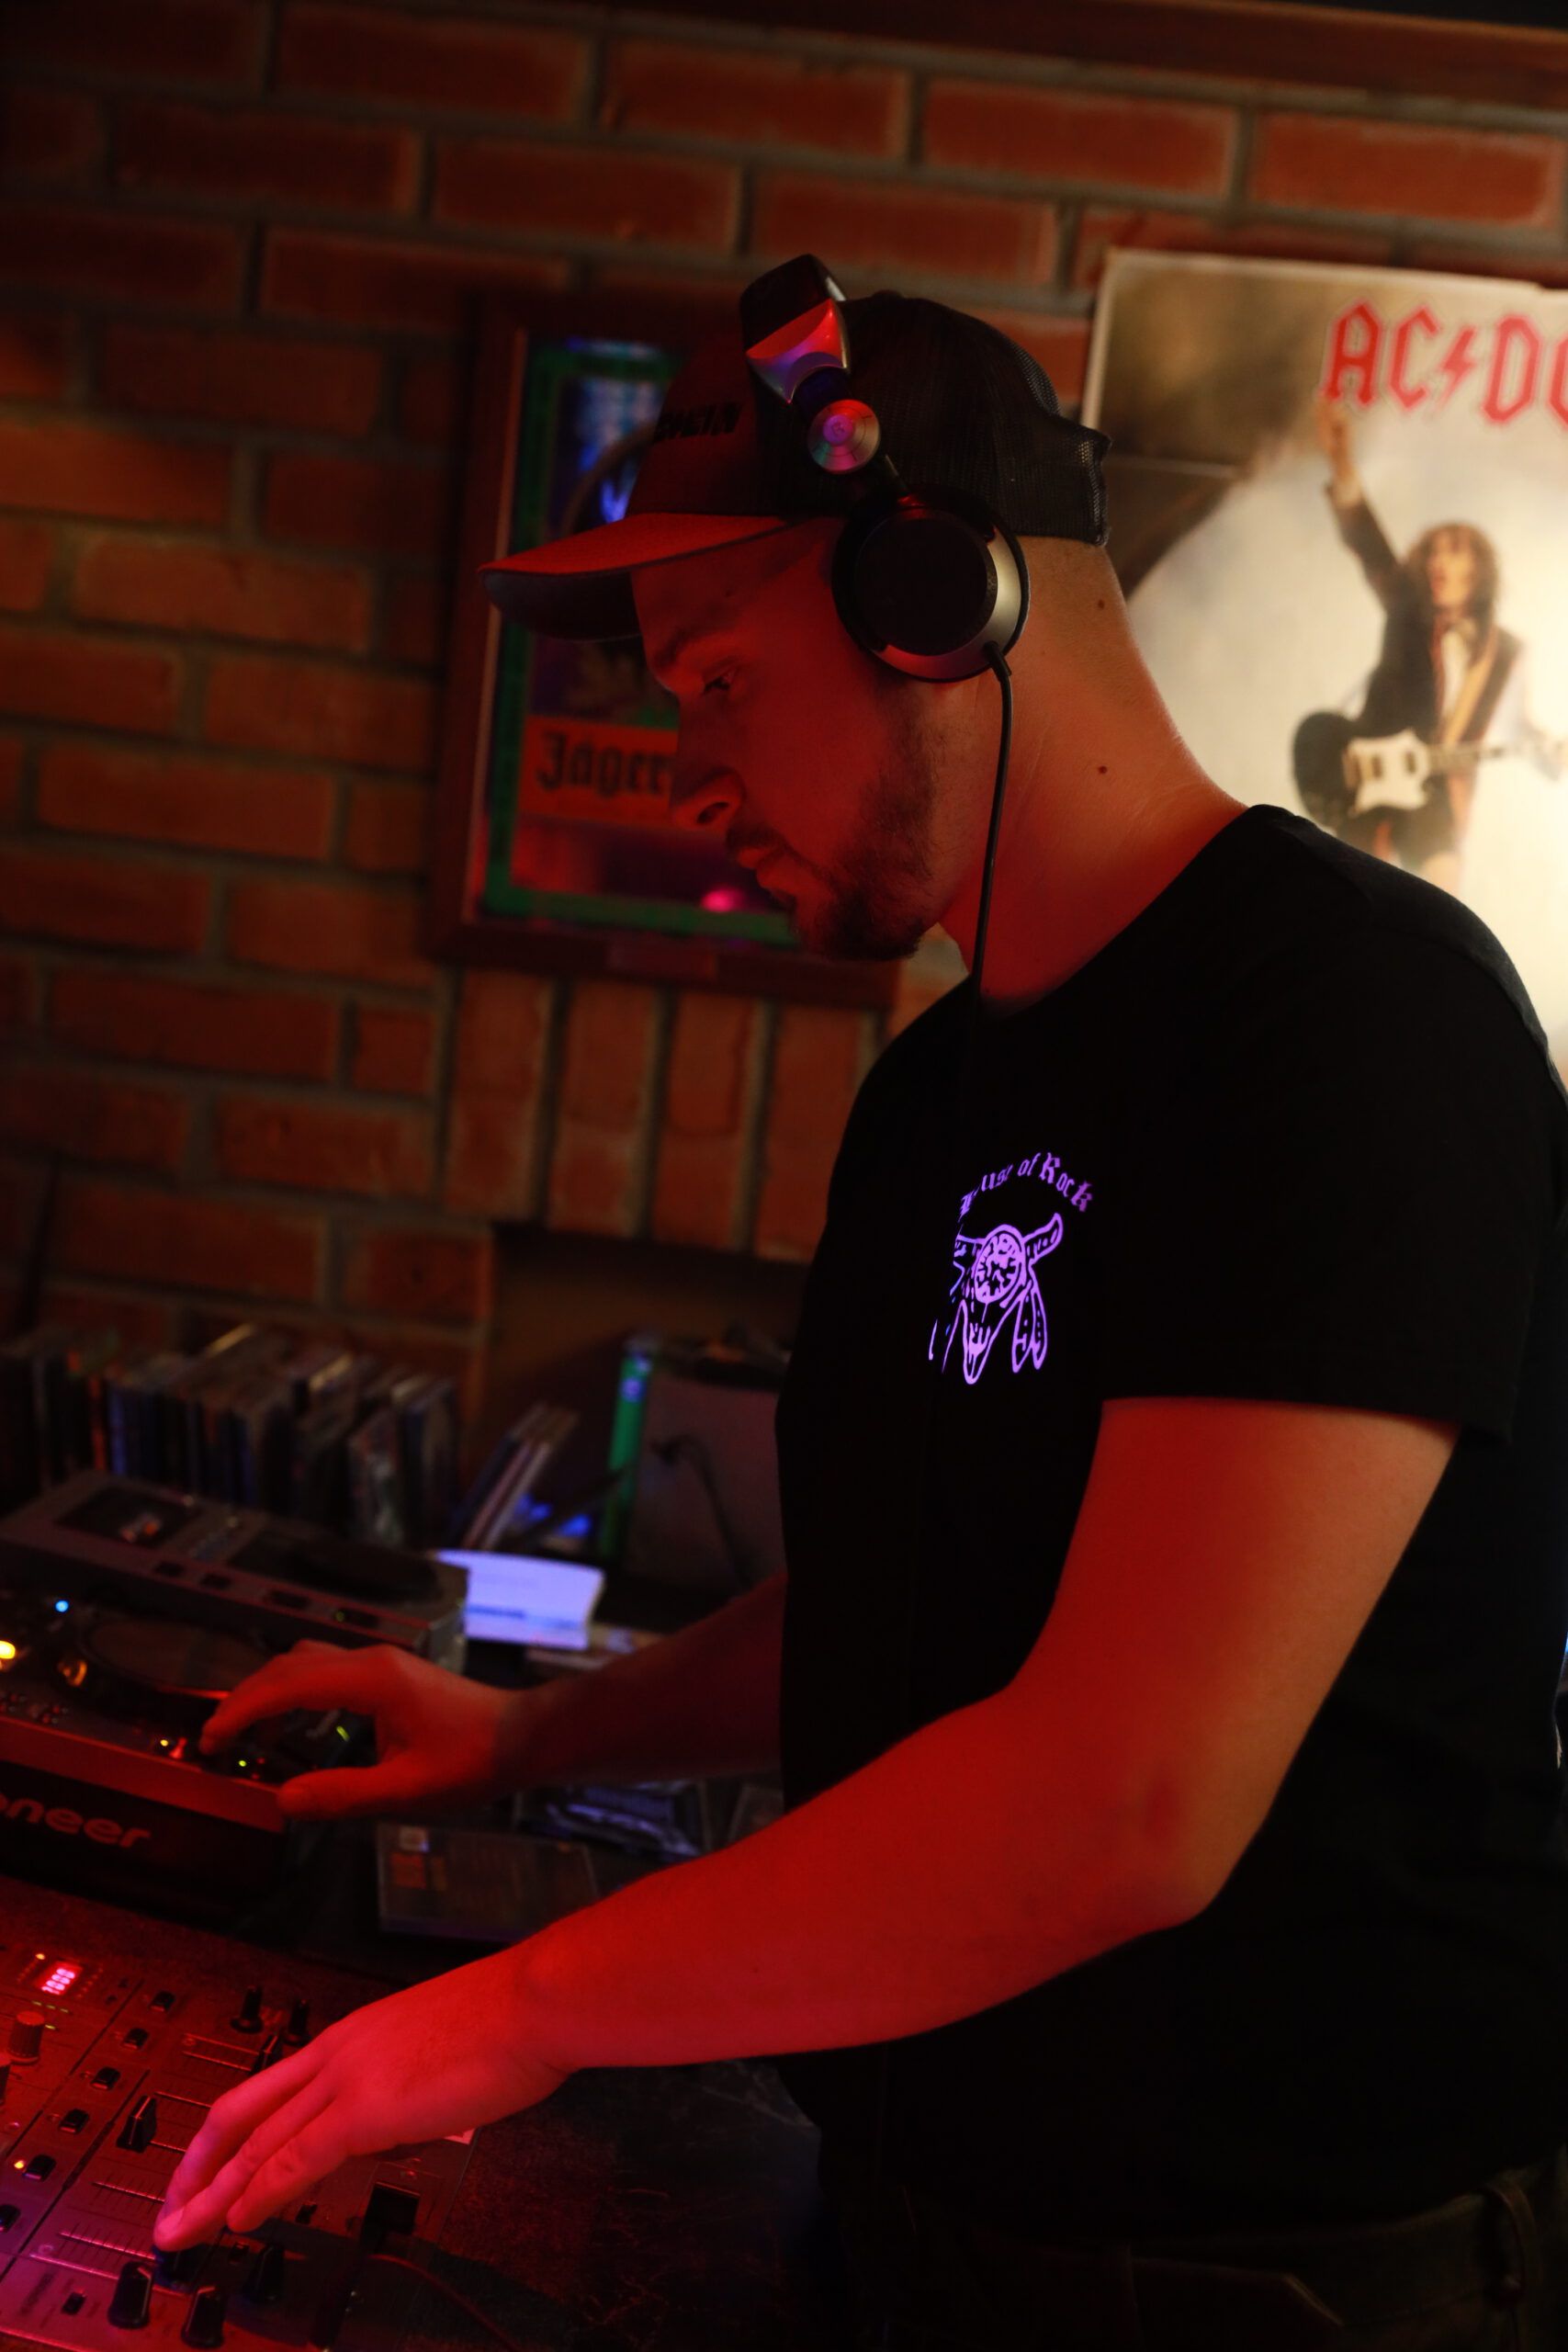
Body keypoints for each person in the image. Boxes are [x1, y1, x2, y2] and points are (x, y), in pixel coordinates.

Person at [152, 271, 1568, 2352]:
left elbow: (1122, 1803)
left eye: (717, 679)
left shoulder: (1347, 1021)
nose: (687, 773)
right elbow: (909, 1592)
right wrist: (529, 1735)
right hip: (917, 2214)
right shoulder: (937, 1086)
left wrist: (523, 2006)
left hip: (1270, 2280)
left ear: (934, 603)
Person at [1299, 397, 1561, 891]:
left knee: (1444, 893)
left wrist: (1552, 752)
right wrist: (1342, 465)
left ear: (1479, 569)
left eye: (1455, 552)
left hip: (1436, 786)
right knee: (1354, 893)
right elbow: (1371, 548)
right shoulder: (1408, 609)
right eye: (1433, 553)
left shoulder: (1506, 651)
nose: (1440, 563)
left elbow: (1516, 723)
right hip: (1371, 774)